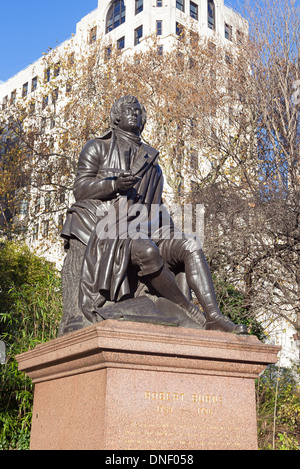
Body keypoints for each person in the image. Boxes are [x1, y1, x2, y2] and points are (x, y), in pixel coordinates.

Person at [61, 95, 247, 334]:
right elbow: (80, 188)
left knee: (190, 243)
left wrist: (171, 231)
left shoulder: (153, 163)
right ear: (116, 117)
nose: (135, 114)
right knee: (147, 251)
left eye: (139, 111)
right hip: (110, 226)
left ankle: (214, 317)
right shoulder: (97, 147)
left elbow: (156, 206)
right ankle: (189, 311)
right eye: (129, 110)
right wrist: (114, 185)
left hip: (147, 225)